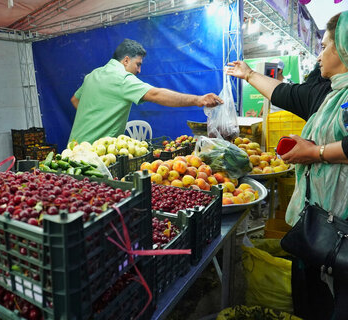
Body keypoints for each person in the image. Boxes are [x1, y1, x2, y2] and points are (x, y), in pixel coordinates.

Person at [227, 12, 348, 320]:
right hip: (318, 219)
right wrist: (250, 74)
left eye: (325, 46)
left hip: (341, 230)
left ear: (345, 47)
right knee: (311, 296)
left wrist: (317, 152)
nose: (319, 54)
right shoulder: (331, 92)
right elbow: (287, 93)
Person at [68, 39, 223, 144]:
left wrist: (95, 117)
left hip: (73, 146)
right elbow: (155, 94)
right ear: (126, 60)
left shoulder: (93, 75)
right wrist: (198, 100)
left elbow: (75, 100)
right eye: (138, 64)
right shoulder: (122, 78)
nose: (139, 70)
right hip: (95, 154)